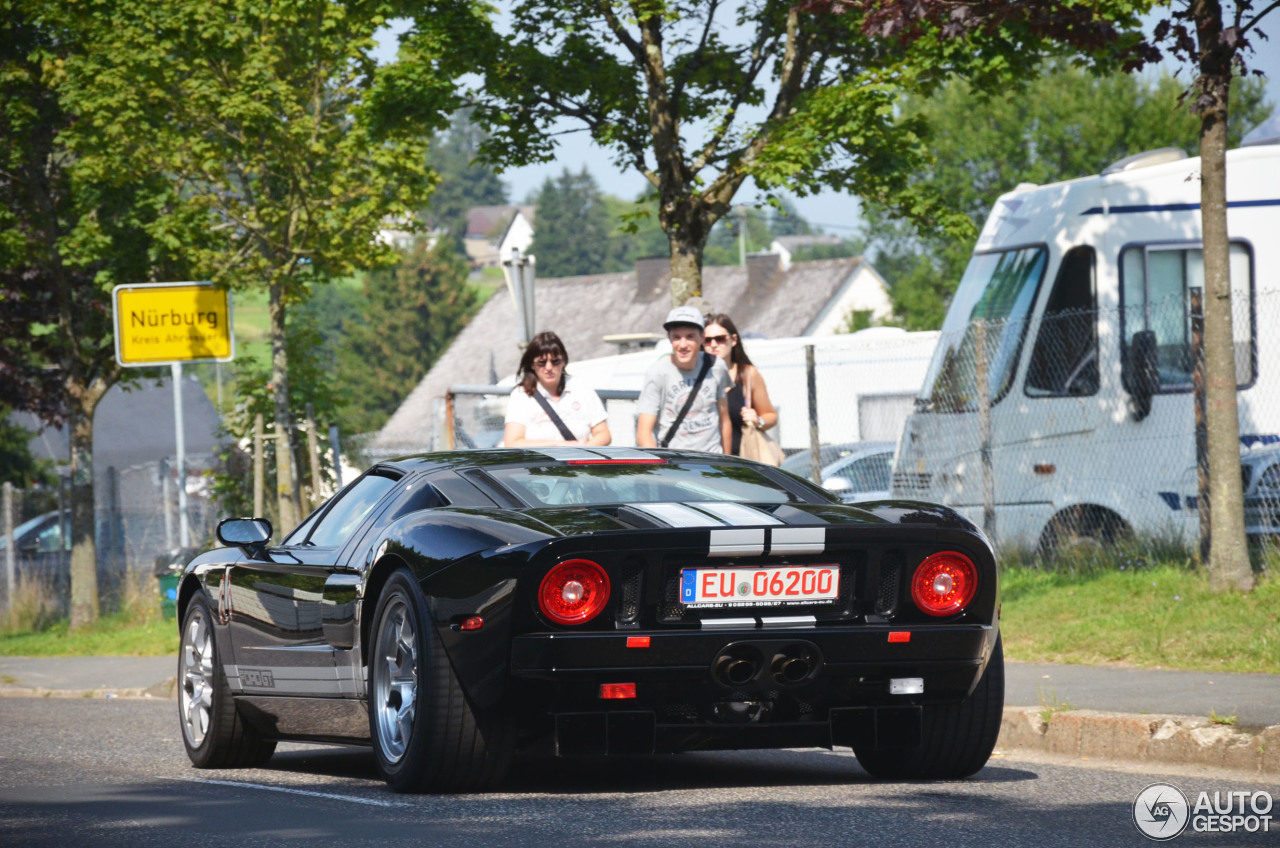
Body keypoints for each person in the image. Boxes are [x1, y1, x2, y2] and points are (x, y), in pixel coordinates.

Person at [636, 306, 733, 453]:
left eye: (690, 337)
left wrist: (726, 463)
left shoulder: (716, 366)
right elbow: (644, 433)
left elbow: (724, 421)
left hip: (712, 463)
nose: (682, 345)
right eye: (677, 337)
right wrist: (659, 469)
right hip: (674, 464)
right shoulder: (657, 373)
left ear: (701, 337)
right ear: (669, 338)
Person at [504, 331, 611, 447]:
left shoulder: (581, 389)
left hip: (576, 463)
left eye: (555, 361)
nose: (549, 367)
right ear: (532, 365)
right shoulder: (521, 395)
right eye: (542, 363)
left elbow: (604, 434)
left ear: (564, 362)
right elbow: (512, 442)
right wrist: (557, 446)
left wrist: (581, 452)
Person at [703, 313, 778, 456]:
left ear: (734, 340)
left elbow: (771, 415)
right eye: (707, 340)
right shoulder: (697, 376)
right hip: (706, 463)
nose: (713, 345)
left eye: (720, 339)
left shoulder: (748, 375)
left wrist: (758, 420)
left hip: (741, 462)